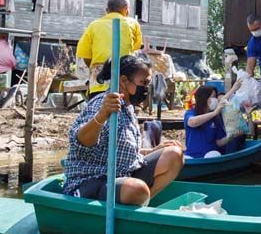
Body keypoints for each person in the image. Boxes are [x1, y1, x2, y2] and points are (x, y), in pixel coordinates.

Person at [63, 54, 184, 206]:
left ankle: (142, 205)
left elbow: (124, 153)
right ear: (124, 80)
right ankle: (138, 201)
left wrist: (153, 150)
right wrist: (102, 115)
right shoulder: (103, 104)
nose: (146, 88)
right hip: (92, 181)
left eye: (148, 83)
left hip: (123, 174)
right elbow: (81, 141)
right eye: (143, 82)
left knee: (174, 155)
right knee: (137, 189)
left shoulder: (128, 107)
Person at [76, 0, 143, 97]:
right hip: (125, 83)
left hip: (99, 83)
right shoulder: (132, 23)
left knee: (98, 107)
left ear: (107, 10)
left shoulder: (94, 25)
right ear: (126, 9)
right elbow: (136, 47)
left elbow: (85, 56)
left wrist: (100, 69)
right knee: (124, 106)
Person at [184, 80, 244, 158]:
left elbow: (218, 142)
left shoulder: (215, 119)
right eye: (212, 96)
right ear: (203, 98)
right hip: (191, 156)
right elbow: (192, 122)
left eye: (215, 97)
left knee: (214, 155)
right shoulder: (191, 113)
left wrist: (231, 136)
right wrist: (214, 113)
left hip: (210, 155)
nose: (215, 100)